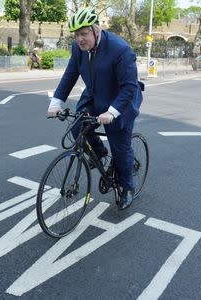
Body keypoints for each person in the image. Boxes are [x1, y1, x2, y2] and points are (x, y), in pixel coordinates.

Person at [46, 7, 143, 210]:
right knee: (77, 126)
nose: (80, 39)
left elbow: (129, 86)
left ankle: (127, 188)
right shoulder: (78, 49)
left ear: (96, 30)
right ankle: (98, 153)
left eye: (84, 33)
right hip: (95, 95)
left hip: (121, 100)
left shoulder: (120, 49)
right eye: (76, 35)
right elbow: (70, 74)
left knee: (119, 146)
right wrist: (56, 102)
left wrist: (111, 112)